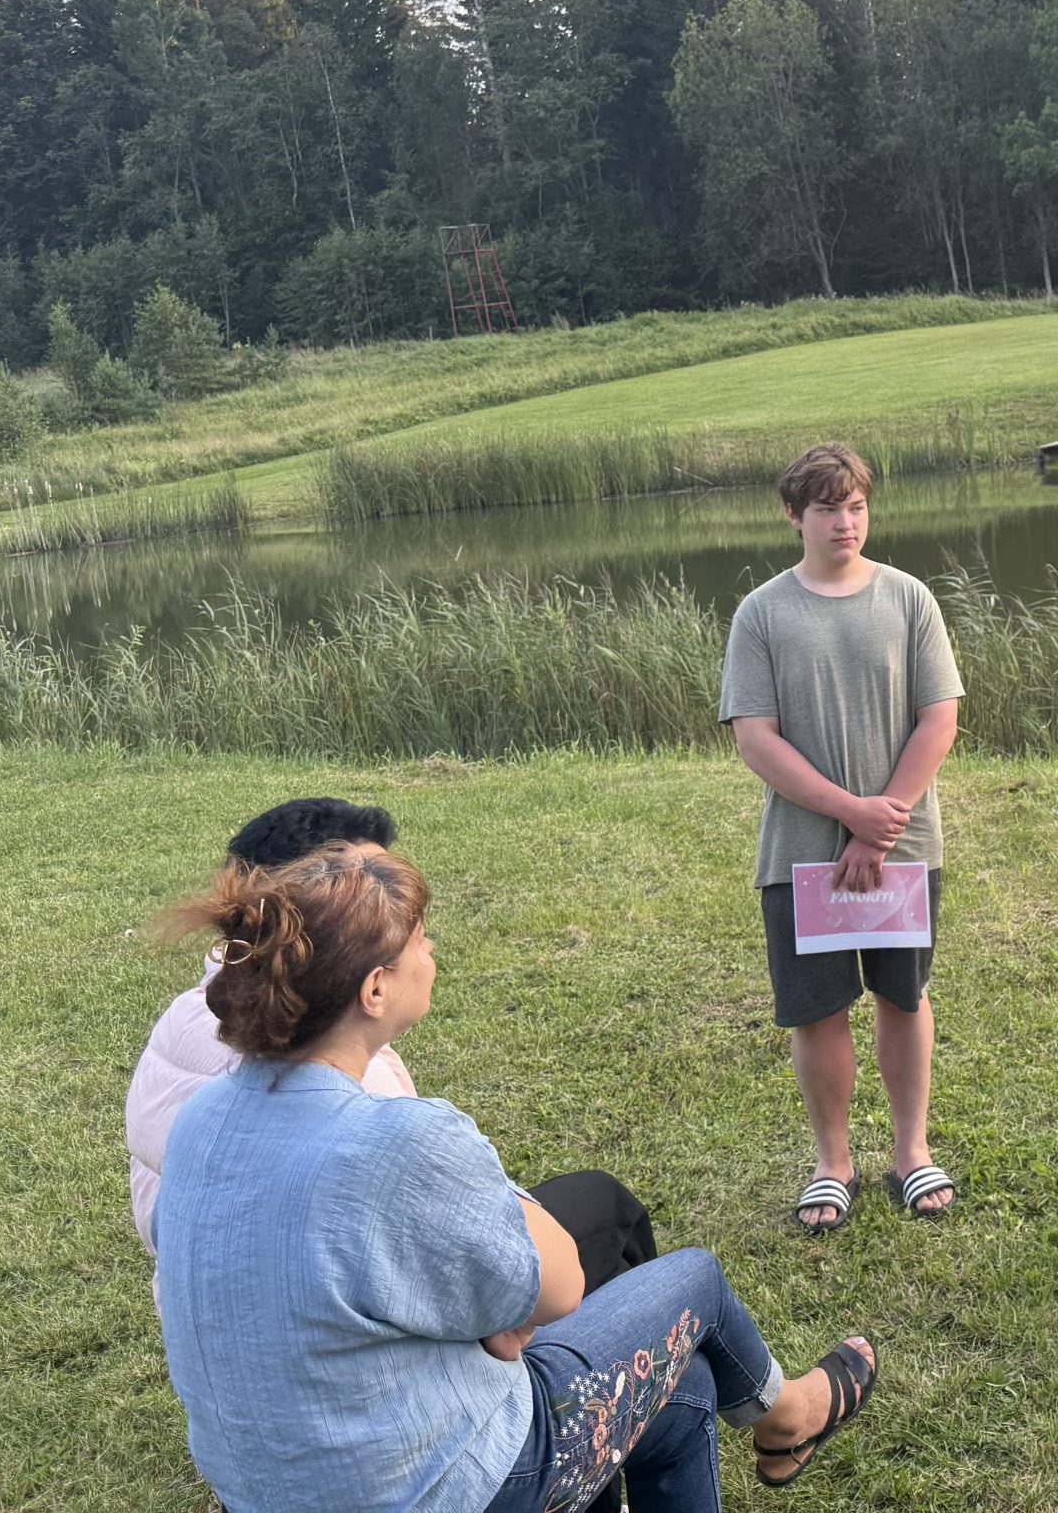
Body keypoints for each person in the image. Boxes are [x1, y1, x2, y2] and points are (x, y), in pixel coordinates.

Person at [153, 840, 879, 1512]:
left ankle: (776, 1417)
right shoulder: (397, 1135)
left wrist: (500, 1316)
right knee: (697, 1281)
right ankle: (789, 1414)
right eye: (420, 940)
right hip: (429, 1488)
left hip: (266, 1488)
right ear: (375, 990)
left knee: (681, 1389)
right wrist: (504, 1300)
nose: (432, 951)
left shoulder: (204, 1116)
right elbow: (561, 1285)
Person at [128, 799, 661, 1289]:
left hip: (222, 1303)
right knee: (617, 1219)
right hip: (367, 1309)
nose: (419, 935)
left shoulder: (202, 1023)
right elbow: (468, 1261)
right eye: (372, 894)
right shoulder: (354, 1090)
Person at [724, 443, 965, 1229]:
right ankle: (833, 1163)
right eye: (828, 509)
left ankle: (911, 1153)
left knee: (903, 996)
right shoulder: (762, 613)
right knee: (818, 1011)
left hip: (903, 850)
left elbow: (939, 718)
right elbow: (756, 737)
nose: (845, 523)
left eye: (856, 507)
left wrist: (882, 821)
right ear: (794, 515)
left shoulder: (909, 598)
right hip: (801, 856)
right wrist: (849, 814)